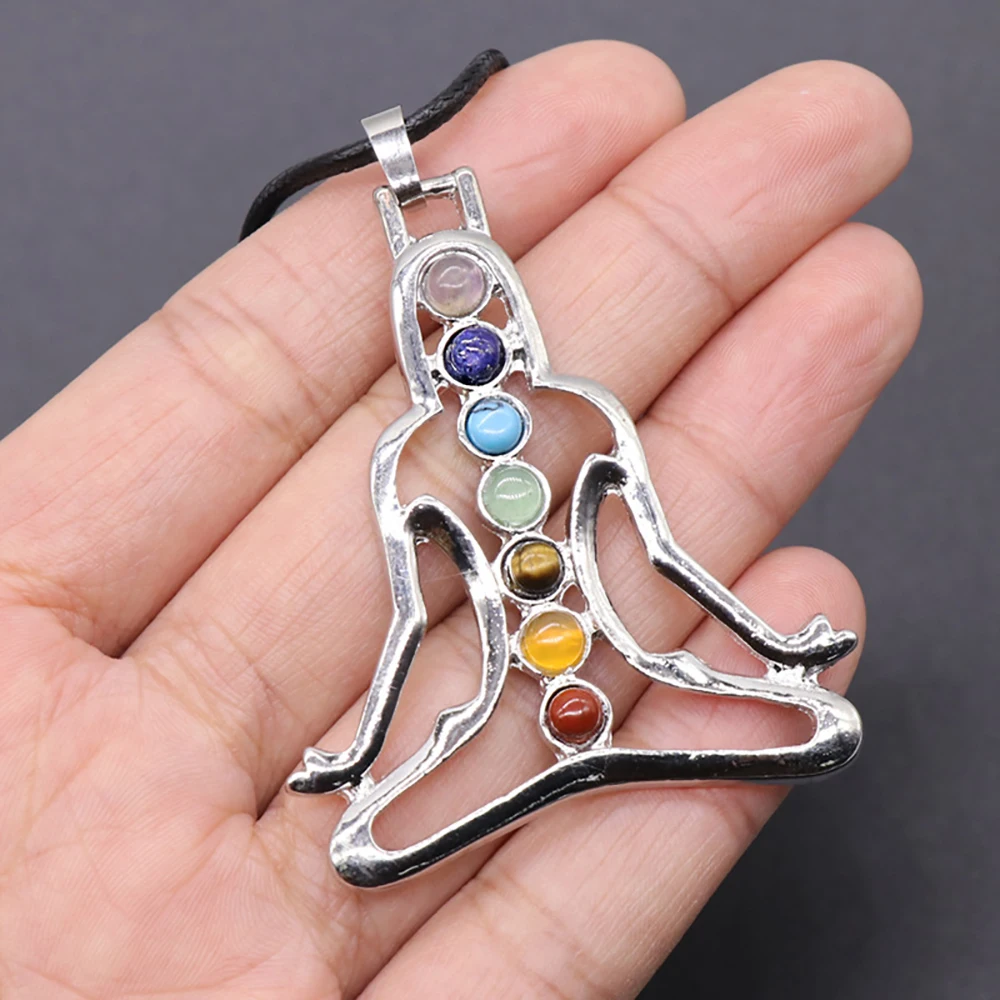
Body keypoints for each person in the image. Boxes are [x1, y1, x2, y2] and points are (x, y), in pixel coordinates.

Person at [0, 40, 919, 999]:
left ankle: (591, 765)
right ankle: (569, 770)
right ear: (419, 333)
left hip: (635, 664)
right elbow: (410, 618)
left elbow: (658, 551)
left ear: (511, 315)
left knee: (827, 726)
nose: (469, 343)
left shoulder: (581, 412)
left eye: (487, 317)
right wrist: (363, 755)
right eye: (449, 328)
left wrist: (774, 649)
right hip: (492, 706)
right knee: (360, 847)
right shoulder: (408, 456)